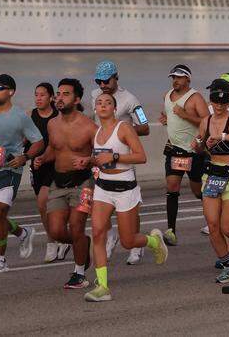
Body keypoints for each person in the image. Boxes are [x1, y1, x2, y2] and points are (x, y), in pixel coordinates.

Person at [84, 91, 167, 302]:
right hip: (103, 186)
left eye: (107, 103)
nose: (102, 105)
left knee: (129, 241)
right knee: (98, 233)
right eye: (99, 102)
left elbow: (141, 156)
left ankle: (153, 241)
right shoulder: (96, 132)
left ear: (114, 108)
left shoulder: (124, 128)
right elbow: (100, 158)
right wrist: (89, 161)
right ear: (95, 108)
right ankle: (102, 286)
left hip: (125, 188)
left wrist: (114, 156)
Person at [0, 74, 42, 273]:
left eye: (0, 88)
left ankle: (1, 260)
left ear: (11, 92)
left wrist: (25, 157)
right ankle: (23, 232)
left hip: (10, 170)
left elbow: (39, 141)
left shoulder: (20, 116)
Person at [34, 78, 96, 289]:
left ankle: (79, 274)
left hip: (82, 183)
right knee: (56, 231)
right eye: (58, 94)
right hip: (58, 183)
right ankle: (82, 244)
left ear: (77, 99)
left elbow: (100, 154)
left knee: (77, 226)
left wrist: (89, 160)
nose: (59, 98)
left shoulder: (89, 126)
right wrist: (43, 157)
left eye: (65, 94)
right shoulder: (53, 123)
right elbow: (54, 148)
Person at [191, 78, 229, 283]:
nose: (218, 106)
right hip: (212, 174)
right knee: (212, 225)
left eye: (222, 102)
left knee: (228, 227)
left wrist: (223, 137)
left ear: (227, 103)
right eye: (215, 102)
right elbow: (198, 144)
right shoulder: (206, 121)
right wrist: (201, 142)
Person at [158, 64, 208, 245]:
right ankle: (171, 231)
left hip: (192, 153)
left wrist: (185, 115)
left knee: (197, 191)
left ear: (188, 79)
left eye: (179, 77)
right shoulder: (167, 95)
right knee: (172, 187)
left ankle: (214, 215)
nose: (175, 81)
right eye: (173, 77)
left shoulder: (195, 98)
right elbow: (169, 114)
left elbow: (206, 122)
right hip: (174, 150)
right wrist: (166, 119)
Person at [27, 82, 60, 262]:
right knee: (45, 209)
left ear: (51, 97)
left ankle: (51, 242)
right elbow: (24, 139)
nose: (38, 98)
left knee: (42, 202)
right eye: (36, 95)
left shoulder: (58, 117)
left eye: (42, 95)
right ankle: (59, 236)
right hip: (37, 167)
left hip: (55, 166)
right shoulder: (29, 116)